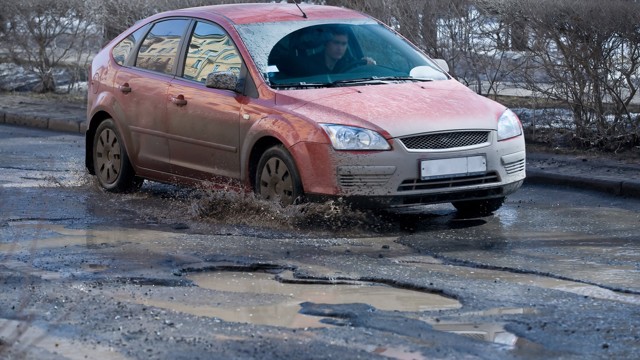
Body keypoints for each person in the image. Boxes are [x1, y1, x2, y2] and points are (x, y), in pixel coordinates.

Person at [304, 27, 376, 75]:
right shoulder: (309, 64)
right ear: (326, 43)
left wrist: (368, 67)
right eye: (336, 43)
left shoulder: (351, 64)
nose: (340, 48)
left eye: (344, 44)